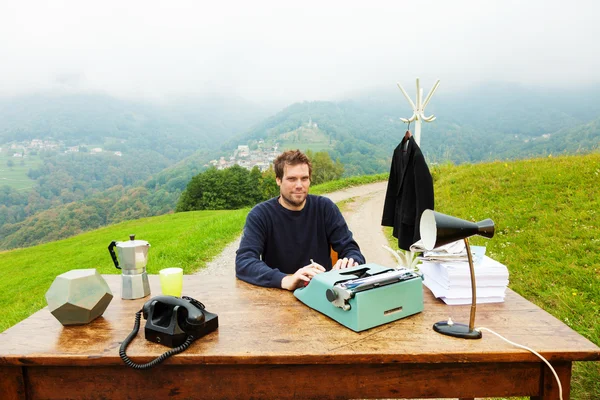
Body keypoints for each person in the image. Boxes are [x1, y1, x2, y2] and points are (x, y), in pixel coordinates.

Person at [235, 149, 365, 290]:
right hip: (277, 293)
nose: (299, 185)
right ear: (278, 180)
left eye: (304, 178)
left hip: (321, 292)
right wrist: (287, 280)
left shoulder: (325, 208)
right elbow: (244, 262)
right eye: (292, 179)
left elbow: (351, 249)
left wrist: (351, 262)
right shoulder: (260, 215)